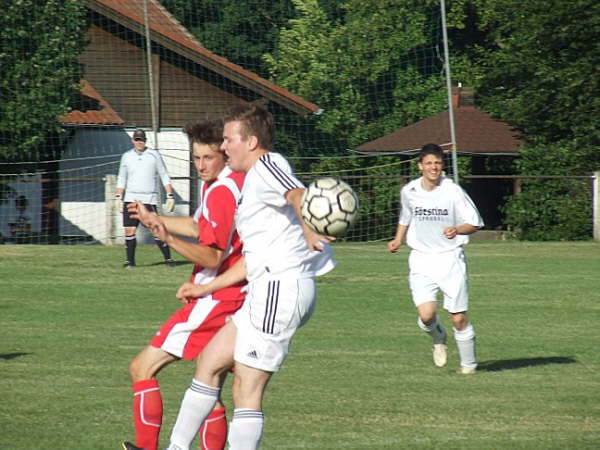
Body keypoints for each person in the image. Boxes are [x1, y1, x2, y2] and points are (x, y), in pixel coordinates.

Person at [164, 103, 336, 450]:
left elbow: (299, 194)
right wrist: (206, 288)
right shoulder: (253, 181)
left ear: (252, 141)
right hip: (266, 285)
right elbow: (253, 259)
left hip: (281, 287)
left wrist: (307, 228)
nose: (223, 147)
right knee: (209, 363)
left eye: (229, 139)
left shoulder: (270, 164)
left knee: (247, 387)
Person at [121, 119, 246, 450]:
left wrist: (169, 239)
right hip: (230, 297)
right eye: (196, 158)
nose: (201, 166)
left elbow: (211, 257)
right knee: (209, 388)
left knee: (142, 367)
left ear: (223, 154)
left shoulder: (222, 192)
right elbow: (197, 225)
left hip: (216, 298)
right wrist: (156, 219)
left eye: (208, 158)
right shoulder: (219, 184)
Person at [387, 143, 483, 374]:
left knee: (458, 318)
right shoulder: (409, 191)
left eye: (438, 163)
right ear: (420, 166)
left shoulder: (453, 191)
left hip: (450, 259)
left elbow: (475, 223)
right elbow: (405, 217)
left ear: (442, 166)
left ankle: (468, 366)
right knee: (426, 315)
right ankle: (438, 336)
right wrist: (398, 239)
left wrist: (457, 229)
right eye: (429, 163)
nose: (434, 167)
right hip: (421, 259)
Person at [116, 129, 176, 268]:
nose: (139, 142)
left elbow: (164, 175)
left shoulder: (154, 155)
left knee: (156, 229)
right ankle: (129, 261)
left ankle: (168, 259)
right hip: (131, 198)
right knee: (129, 230)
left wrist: (170, 196)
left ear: (145, 141)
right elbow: (122, 177)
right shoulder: (126, 156)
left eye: (141, 140)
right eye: (137, 140)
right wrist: (118, 197)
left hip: (149, 199)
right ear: (132, 141)